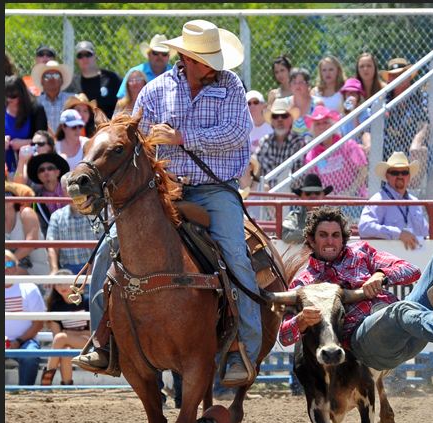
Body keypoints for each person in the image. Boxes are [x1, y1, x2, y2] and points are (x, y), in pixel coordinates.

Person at [75, 19, 261, 386]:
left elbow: (238, 132)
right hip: (162, 190)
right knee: (109, 251)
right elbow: (134, 137)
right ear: (188, 57)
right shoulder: (156, 91)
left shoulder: (231, 87)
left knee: (236, 254)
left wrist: (181, 137)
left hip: (214, 188)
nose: (214, 65)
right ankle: (103, 339)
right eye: (207, 58)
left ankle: (245, 346)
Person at [278, 206, 433, 374]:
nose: (330, 241)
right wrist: (300, 320)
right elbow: (284, 335)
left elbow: (410, 270)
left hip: (407, 328)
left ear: (343, 238)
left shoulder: (361, 253)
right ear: (311, 240)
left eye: (335, 235)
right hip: (367, 345)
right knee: (399, 311)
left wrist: (381, 276)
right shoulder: (305, 282)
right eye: (323, 235)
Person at [358, 151, 429, 249]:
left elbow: (425, 232)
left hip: (416, 255)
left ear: (409, 176)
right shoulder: (378, 200)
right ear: (387, 176)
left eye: (404, 172)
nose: (400, 176)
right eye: (395, 172)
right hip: (390, 258)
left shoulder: (415, 202)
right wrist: (398, 234)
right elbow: (365, 227)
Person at [303, 104, 368, 199]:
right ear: (313, 129)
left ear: (332, 125)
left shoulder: (347, 145)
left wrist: (349, 192)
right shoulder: (311, 156)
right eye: (317, 124)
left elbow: (363, 170)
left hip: (355, 197)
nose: (321, 126)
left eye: (325, 122)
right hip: (328, 201)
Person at [39, 269, 91, 386]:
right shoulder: (55, 305)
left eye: (66, 282)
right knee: (65, 351)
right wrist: (69, 335)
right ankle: (67, 386)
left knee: (61, 338)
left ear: (74, 283)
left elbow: (92, 333)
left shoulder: (86, 301)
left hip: (88, 342)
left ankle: (46, 381)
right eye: (58, 283)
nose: (62, 286)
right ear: (54, 287)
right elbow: (56, 337)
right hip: (67, 343)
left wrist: (67, 333)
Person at [5, 250, 46, 387]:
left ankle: (24, 392)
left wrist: (18, 340)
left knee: (30, 355)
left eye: (9, 263)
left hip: (25, 341)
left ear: (16, 267)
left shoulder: (29, 288)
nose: (5, 267)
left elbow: (39, 323)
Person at [381, 57, 428, 165]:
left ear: (409, 76)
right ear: (389, 80)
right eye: (394, 76)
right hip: (388, 151)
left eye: (402, 74)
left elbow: (425, 123)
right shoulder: (382, 101)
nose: (398, 78)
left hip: (412, 147)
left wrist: (417, 141)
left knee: (421, 150)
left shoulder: (420, 97)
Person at [253, 98, 307, 189]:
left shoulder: (299, 142)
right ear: (272, 121)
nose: (280, 119)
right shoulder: (264, 142)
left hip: (290, 196)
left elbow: (299, 179)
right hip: (266, 196)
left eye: (284, 116)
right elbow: (255, 171)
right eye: (275, 116)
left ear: (291, 119)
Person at [5, 75, 48, 178]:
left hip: (29, 167)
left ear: (22, 94)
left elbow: (44, 142)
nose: (9, 99)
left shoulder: (36, 110)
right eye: (5, 94)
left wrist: (25, 143)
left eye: (13, 95)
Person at [4, 186, 50, 278]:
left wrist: (7, 263)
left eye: (7, 194)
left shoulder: (26, 213)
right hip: (10, 269)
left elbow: (30, 245)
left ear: (15, 198)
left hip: (36, 270)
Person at [45, 197, 100, 275]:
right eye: (70, 192)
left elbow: (103, 244)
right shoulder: (57, 216)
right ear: (63, 192)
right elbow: (52, 246)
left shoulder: (96, 214)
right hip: (67, 270)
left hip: (93, 266)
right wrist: (54, 270)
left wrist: (93, 269)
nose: (74, 195)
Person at [115, 34, 175, 101]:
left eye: (164, 53)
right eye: (155, 53)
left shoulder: (175, 74)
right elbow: (121, 100)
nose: (159, 56)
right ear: (148, 54)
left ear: (168, 56)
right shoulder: (134, 74)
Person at [72, 40, 122, 118]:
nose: (84, 58)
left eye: (88, 54)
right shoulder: (73, 82)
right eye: (80, 56)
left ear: (95, 56)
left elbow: (124, 100)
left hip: (109, 127)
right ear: (76, 60)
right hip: (81, 128)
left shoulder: (111, 78)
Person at [25, 151, 71, 234]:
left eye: (50, 168)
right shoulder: (36, 201)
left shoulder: (69, 190)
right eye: (41, 170)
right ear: (38, 176)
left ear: (58, 172)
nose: (46, 172)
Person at [281, 173, 333, 244]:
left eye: (317, 193)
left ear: (323, 195)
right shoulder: (295, 216)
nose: (313, 196)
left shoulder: (332, 215)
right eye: (308, 193)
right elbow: (286, 235)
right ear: (301, 196)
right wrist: (313, 235)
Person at [32, 59, 74, 135]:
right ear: (42, 81)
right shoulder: (35, 103)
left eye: (56, 75)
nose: (52, 78)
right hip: (43, 143)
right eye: (47, 76)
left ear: (62, 80)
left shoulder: (72, 100)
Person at [338, 77, 371, 153]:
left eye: (353, 93)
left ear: (359, 96)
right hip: (347, 153)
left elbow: (361, 133)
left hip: (361, 151)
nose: (350, 95)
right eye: (348, 93)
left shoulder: (366, 112)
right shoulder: (342, 116)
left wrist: (354, 112)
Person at [286, 67, 317, 140]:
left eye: (301, 82)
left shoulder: (317, 104)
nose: (297, 85)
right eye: (294, 82)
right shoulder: (285, 104)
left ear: (308, 84)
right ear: (290, 85)